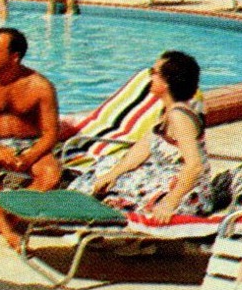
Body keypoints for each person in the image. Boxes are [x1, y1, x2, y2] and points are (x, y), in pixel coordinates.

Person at [71, 50, 214, 223]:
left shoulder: (179, 116)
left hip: (185, 191)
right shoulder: (168, 111)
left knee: (119, 189)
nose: (149, 77)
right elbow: (142, 148)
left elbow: (195, 166)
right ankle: (82, 210)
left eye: (154, 72)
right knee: (106, 168)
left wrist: (170, 202)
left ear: (167, 82)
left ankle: (87, 215)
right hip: (164, 177)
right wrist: (113, 174)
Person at [0, 28, 62, 250]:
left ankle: (4, 220)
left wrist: (29, 156)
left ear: (15, 56)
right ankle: (7, 232)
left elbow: (51, 133)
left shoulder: (40, 86)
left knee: (51, 175)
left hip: (30, 144)